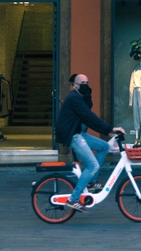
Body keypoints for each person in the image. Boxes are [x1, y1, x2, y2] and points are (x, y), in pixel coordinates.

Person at [55, 73, 125, 213]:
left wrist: (87, 94)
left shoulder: (78, 97)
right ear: (74, 85)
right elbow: (89, 117)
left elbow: (87, 111)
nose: (85, 85)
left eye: (87, 82)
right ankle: (73, 199)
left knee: (104, 146)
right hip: (72, 135)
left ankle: (92, 182)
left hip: (77, 133)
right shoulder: (73, 98)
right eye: (82, 83)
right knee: (92, 165)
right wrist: (110, 129)